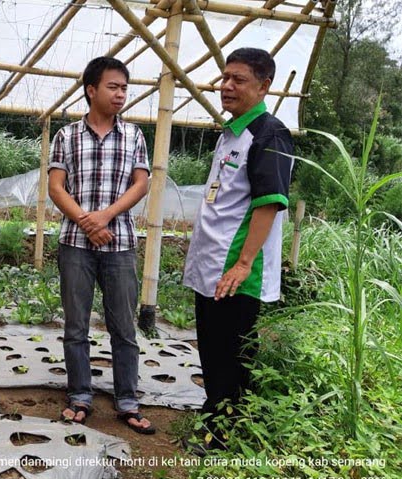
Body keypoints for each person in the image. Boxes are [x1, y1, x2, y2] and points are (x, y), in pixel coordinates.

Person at [183, 48, 293, 452]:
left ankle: (224, 433)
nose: (226, 86)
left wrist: (244, 262)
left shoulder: (269, 134)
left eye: (239, 79)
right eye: (224, 77)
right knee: (212, 347)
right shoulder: (231, 133)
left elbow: (268, 202)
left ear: (264, 85)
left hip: (235, 273)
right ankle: (215, 413)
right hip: (211, 267)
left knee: (231, 353)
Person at [48, 56, 154, 435]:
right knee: (76, 325)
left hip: (120, 242)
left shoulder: (135, 136)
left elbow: (141, 184)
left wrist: (104, 217)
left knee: (124, 327)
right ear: (91, 90)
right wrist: (86, 221)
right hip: (76, 243)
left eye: (124, 87)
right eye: (113, 86)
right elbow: (56, 187)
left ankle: (127, 399)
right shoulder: (67, 136)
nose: (120, 93)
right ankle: (80, 395)